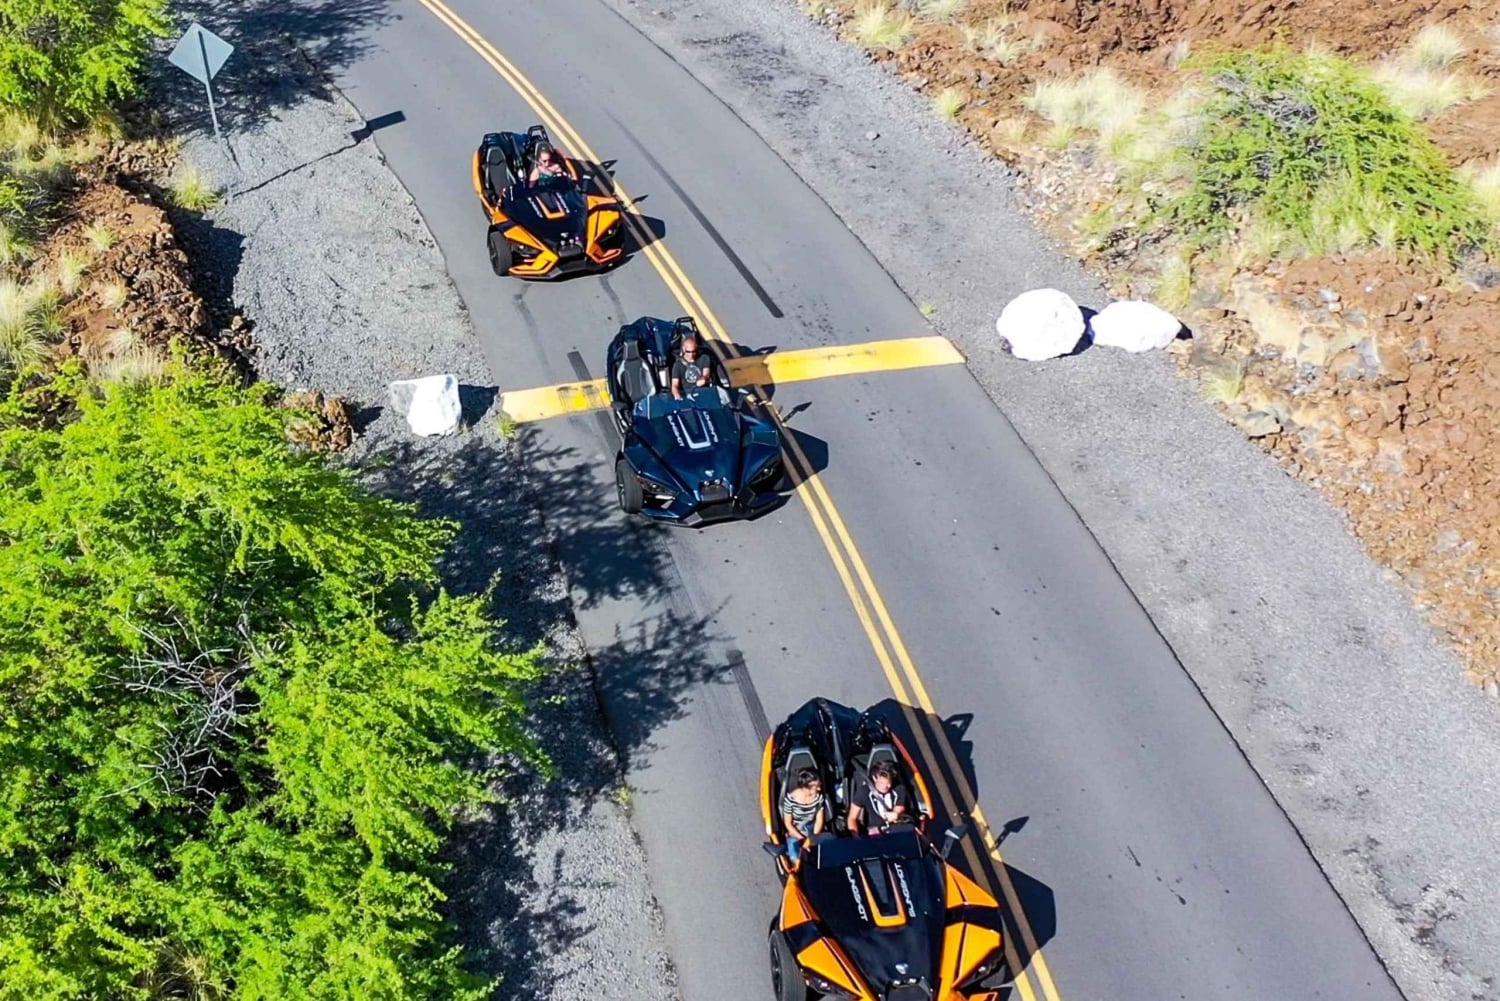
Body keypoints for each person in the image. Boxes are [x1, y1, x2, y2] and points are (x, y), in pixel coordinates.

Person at [847, 759, 909, 834]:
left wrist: (896, 813)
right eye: (882, 783)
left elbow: (900, 807)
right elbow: (852, 818)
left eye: (889, 783)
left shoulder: (899, 788)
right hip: (875, 832)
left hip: (895, 830)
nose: (887, 786)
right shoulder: (863, 792)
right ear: (874, 778)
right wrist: (856, 837)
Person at [780, 767, 826, 865]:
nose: (819, 789)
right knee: (794, 856)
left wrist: (811, 839)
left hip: (811, 829)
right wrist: (801, 839)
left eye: (819, 785)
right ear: (805, 788)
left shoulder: (818, 797)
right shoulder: (790, 799)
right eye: (816, 787)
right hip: (796, 830)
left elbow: (819, 821)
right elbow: (788, 823)